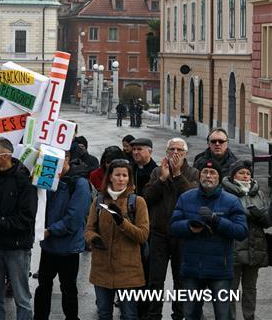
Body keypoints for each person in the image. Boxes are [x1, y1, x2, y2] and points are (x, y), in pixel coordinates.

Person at [171, 158, 248, 320]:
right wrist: (189, 227)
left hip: (220, 270)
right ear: (199, 176)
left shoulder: (231, 201)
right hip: (192, 269)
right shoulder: (186, 198)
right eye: (205, 172)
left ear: (219, 178)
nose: (208, 176)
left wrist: (217, 220)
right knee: (190, 314)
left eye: (212, 173)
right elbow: (174, 227)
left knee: (222, 315)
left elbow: (241, 231)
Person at [0, 136, 37, 320]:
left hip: (17, 247)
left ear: (4, 156)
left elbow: (26, 218)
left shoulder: (24, 180)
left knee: (22, 298)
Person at [85, 158, 150, 320]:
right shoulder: (99, 201)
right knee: (104, 314)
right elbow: (88, 229)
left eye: (125, 175)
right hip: (102, 269)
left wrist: (122, 222)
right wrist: (94, 239)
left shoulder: (137, 202)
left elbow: (142, 235)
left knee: (129, 314)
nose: (121, 179)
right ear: (110, 177)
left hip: (128, 271)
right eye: (118, 175)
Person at [142, 137, 198, 320]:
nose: (175, 153)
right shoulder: (157, 171)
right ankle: (154, 314)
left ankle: (179, 315)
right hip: (159, 232)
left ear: (185, 154)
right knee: (155, 279)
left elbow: (192, 198)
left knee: (181, 280)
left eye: (179, 150)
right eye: (171, 149)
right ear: (166, 152)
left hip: (183, 234)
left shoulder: (193, 173)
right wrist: (163, 179)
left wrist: (177, 176)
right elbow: (147, 198)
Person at [33, 149, 91, 320]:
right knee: (43, 286)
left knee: (68, 288)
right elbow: (41, 205)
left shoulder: (79, 184)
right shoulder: (48, 178)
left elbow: (74, 219)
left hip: (68, 247)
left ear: (67, 159)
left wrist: (50, 230)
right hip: (49, 246)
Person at [221, 160, 270, 320]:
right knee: (231, 289)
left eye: (248, 173)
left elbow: (268, 220)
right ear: (233, 175)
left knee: (250, 288)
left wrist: (261, 215)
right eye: (241, 172)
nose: (245, 176)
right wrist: (247, 214)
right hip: (234, 247)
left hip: (255, 247)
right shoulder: (225, 192)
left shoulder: (258, 192)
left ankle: (249, 317)